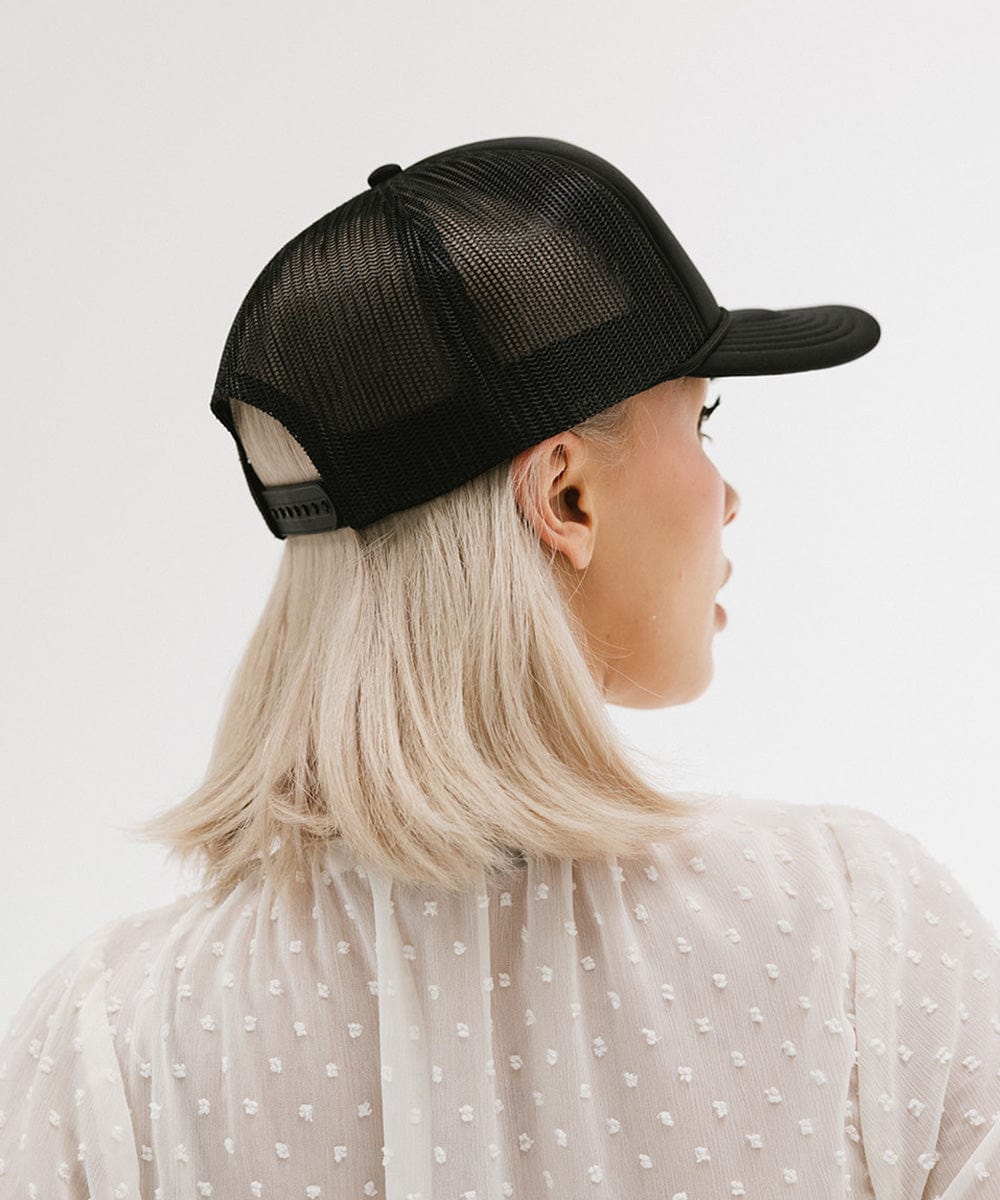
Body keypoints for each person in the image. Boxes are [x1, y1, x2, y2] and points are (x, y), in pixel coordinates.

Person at [1, 136, 997, 1200]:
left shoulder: (112, 1045)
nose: (727, 494)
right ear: (564, 498)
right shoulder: (853, 930)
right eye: (702, 418)